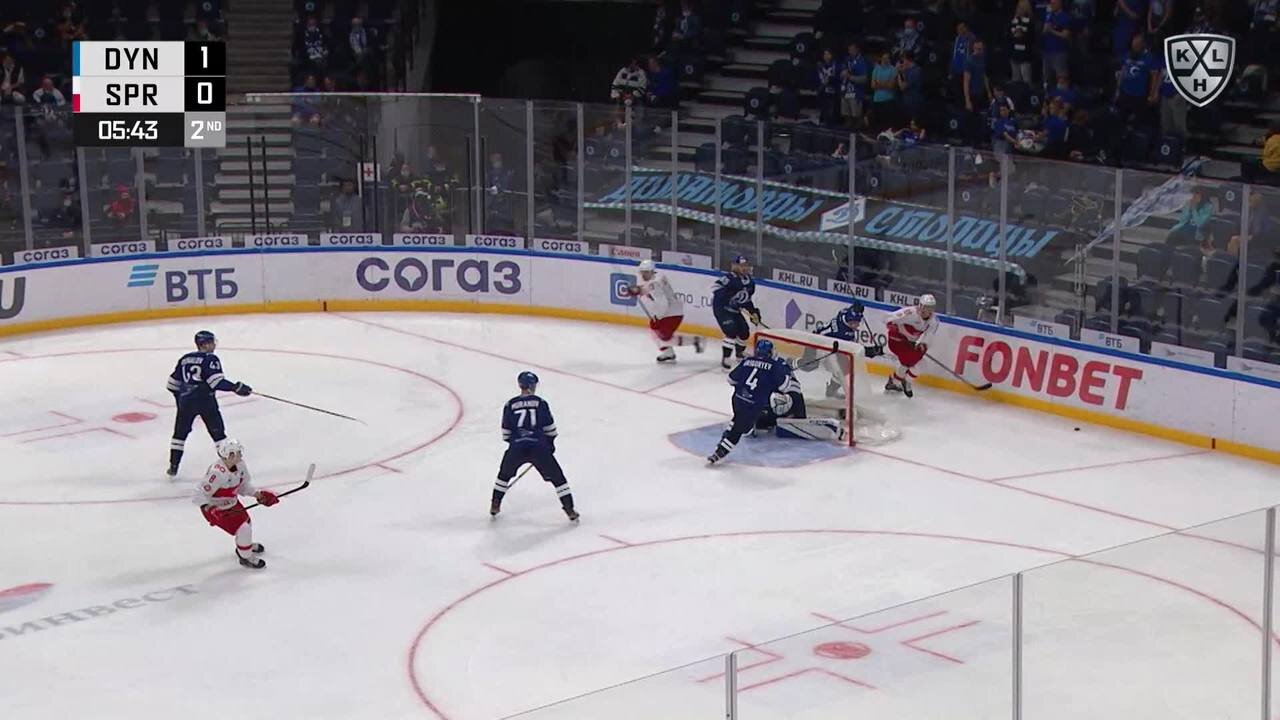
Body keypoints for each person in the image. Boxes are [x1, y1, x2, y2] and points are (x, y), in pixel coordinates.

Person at [491, 372, 578, 521]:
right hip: (539, 447)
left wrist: (517, 443)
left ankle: (495, 504)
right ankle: (569, 509)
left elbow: (506, 433)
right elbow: (550, 429)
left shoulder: (510, 404)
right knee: (558, 479)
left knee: (503, 476)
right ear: (533, 385)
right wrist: (549, 444)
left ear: (520, 385)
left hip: (517, 447)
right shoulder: (541, 403)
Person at [165, 331, 253, 479]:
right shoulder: (210, 359)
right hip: (205, 401)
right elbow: (216, 382)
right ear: (205, 344)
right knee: (218, 435)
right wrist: (235, 387)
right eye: (212, 342)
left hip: (186, 402)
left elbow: (172, 385)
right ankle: (231, 468)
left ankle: (173, 467)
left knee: (179, 435)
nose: (214, 345)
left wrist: (180, 400)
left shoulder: (185, 359)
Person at [193, 439, 278, 570]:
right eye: (238, 452)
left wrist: (258, 495)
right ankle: (245, 557)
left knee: (247, 523)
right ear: (230, 455)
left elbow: (242, 486)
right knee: (243, 529)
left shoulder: (240, 465)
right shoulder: (217, 473)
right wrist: (210, 509)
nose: (241, 455)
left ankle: (244, 545)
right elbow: (199, 493)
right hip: (217, 509)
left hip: (232, 503)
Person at [707, 339, 793, 464]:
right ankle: (719, 452)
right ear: (770, 352)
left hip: (737, 400)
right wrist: (786, 372)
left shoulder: (747, 361)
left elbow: (730, 379)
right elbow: (785, 387)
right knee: (740, 429)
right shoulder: (774, 365)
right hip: (753, 406)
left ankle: (726, 437)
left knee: (738, 420)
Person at [629, 259, 703, 362]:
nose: (644, 274)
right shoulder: (657, 278)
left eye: (646, 272)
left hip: (671, 313)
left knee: (661, 336)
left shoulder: (655, 283)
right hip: (672, 311)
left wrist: (658, 317)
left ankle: (694, 341)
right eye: (642, 272)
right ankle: (671, 351)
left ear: (652, 271)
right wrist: (640, 290)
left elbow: (663, 303)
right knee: (657, 333)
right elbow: (651, 289)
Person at [885, 294, 940, 398]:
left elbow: (929, 335)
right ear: (919, 305)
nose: (925, 310)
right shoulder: (910, 313)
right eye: (923, 306)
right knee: (916, 362)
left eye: (929, 308)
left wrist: (923, 344)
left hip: (908, 344)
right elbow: (887, 317)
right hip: (896, 340)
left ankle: (895, 382)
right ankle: (904, 381)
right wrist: (891, 325)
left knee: (919, 364)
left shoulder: (934, 321)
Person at [711, 255, 760, 369]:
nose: (744, 268)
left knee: (744, 333)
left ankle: (739, 353)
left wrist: (753, 312)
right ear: (734, 266)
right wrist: (727, 298)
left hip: (735, 310)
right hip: (722, 309)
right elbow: (716, 289)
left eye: (746, 265)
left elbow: (746, 300)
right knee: (731, 331)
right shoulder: (729, 278)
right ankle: (726, 358)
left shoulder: (750, 282)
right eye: (741, 265)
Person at [1041, 0, 1072, 89]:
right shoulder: (1048, 15)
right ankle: (1047, 95)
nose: (1052, 5)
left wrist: (1052, 31)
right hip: (1047, 51)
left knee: (1061, 79)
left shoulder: (1065, 17)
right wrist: (1045, 29)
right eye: (1051, 3)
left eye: (1054, 3)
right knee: (1046, 79)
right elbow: (1044, 31)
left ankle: (1062, 95)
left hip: (1059, 52)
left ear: (1060, 3)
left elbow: (1066, 35)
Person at [840, 41, 870, 129]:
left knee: (856, 114)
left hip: (856, 92)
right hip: (846, 90)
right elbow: (841, 73)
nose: (851, 51)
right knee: (846, 112)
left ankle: (858, 126)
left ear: (857, 50)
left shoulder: (861, 61)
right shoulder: (847, 60)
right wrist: (842, 74)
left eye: (852, 50)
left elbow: (864, 79)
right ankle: (847, 125)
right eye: (849, 50)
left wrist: (850, 77)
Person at [1009, 0, 1034, 86]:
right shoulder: (1014, 21)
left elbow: (1031, 38)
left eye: (1020, 8)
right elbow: (1010, 35)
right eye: (1018, 7)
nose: (1018, 10)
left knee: (1026, 81)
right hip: (1014, 54)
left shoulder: (1029, 22)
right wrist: (1015, 34)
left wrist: (1021, 35)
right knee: (1015, 80)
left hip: (1025, 55)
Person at [963, 40, 991, 117]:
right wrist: (967, 100)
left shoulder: (982, 58)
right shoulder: (969, 61)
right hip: (973, 94)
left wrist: (989, 92)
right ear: (974, 48)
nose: (980, 51)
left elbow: (984, 76)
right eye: (978, 49)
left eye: (981, 49)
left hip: (982, 92)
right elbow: (966, 82)